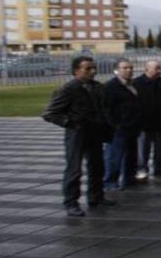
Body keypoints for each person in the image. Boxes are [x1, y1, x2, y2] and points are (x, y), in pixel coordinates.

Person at [42, 56, 115, 217]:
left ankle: (96, 197)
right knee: (74, 169)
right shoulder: (68, 88)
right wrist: (71, 123)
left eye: (93, 68)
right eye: (88, 68)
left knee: (97, 166)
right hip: (77, 134)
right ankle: (71, 202)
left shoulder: (98, 87)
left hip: (95, 133)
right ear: (76, 71)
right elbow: (50, 113)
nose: (93, 71)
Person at [102, 58, 143, 191]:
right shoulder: (110, 87)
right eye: (125, 68)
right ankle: (110, 182)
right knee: (115, 156)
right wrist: (115, 124)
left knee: (131, 155)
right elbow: (106, 109)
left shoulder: (133, 85)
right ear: (117, 70)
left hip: (133, 126)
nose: (129, 70)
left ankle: (129, 179)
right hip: (119, 128)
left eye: (130, 67)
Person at [133, 60, 161, 179]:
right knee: (143, 148)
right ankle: (142, 168)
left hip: (160, 120)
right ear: (147, 69)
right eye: (156, 68)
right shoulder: (137, 83)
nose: (159, 70)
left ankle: (159, 167)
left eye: (160, 68)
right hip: (144, 121)